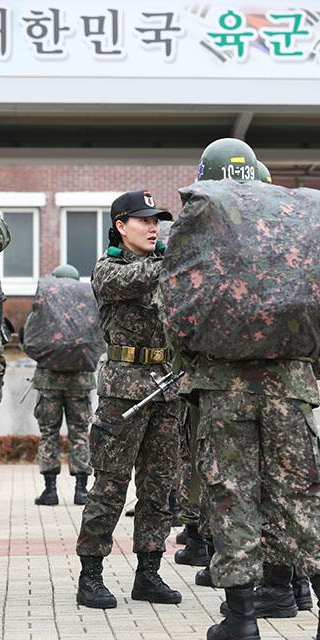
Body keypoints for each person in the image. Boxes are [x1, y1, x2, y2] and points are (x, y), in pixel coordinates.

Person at [166, 138, 320, 640]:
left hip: (223, 383)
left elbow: (177, 307)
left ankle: (241, 621)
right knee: (299, 497)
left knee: (232, 498)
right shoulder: (293, 210)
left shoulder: (206, 213)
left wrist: (190, 359)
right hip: (292, 384)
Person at [76, 190, 182, 609]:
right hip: (124, 390)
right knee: (110, 485)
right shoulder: (109, 268)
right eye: (144, 220)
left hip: (166, 386)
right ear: (121, 225)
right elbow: (138, 279)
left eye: (157, 220)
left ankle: (149, 573)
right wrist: (178, 259)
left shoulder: (166, 265)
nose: (154, 226)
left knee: (159, 487)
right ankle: (91, 575)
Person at [31, 264, 94, 506]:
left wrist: (44, 359)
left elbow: (31, 339)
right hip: (80, 380)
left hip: (49, 380)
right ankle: (81, 490)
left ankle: (50, 491)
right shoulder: (87, 305)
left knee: (49, 432)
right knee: (79, 433)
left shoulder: (45, 304)